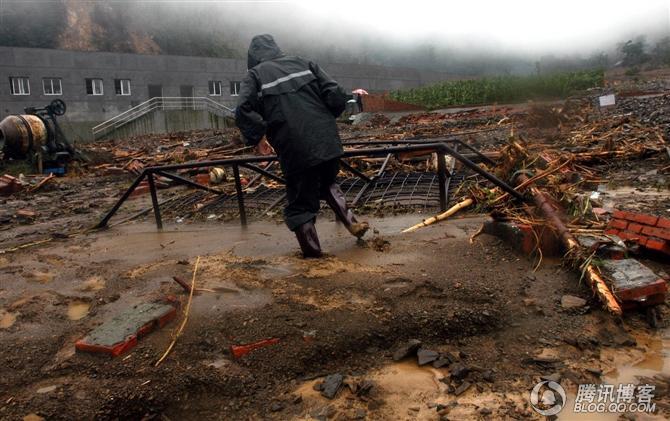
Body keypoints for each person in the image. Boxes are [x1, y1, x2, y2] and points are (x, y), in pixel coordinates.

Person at [235, 34, 368, 258]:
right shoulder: (304, 63)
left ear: (253, 56)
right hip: (327, 141)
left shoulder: (255, 75)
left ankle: (314, 256)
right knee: (327, 182)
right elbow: (334, 95)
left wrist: (258, 137)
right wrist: (349, 98)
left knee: (300, 203)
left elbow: (242, 110)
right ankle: (352, 222)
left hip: (295, 148)